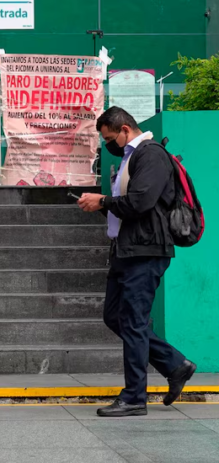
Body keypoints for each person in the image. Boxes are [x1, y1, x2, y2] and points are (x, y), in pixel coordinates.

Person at [78, 106, 197, 417]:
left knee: (132, 321)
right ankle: (175, 364)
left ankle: (134, 397)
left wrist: (103, 200)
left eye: (109, 138)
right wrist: (103, 205)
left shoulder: (151, 154)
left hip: (146, 251)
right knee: (115, 315)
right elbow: (131, 206)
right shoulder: (131, 157)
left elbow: (142, 202)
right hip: (126, 250)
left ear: (124, 130)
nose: (108, 144)